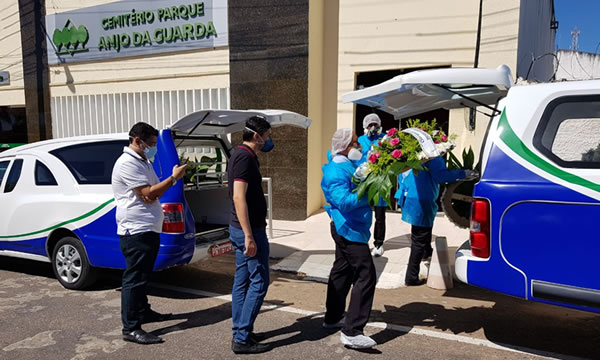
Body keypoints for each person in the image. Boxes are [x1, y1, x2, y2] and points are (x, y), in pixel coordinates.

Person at [111, 122, 187, 344]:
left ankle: (143, 311)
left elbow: (152, 189)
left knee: (142, 275)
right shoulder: (127, 163)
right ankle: (131, 327)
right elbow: (148, 195)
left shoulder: (143, 160)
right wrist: (173, 178)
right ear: (137, 141)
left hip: (147, 227)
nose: (153, 148)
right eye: (151, 144)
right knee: (134, 278)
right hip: (136, 229)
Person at [321, 128, 377, 349]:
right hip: (348, 229)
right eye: (355, 143)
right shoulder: (335, 171)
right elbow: (344, 202)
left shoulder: (346, 164)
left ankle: (333, 317)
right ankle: (352, 331)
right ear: (345, 146)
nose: (359, 147)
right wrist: (368, 189)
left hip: (351, 227)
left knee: (342, 271)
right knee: (366, 275)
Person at [228, 116, 274, 355]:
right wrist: (249, 236)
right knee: (259, 282)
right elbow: (238, 197)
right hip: (248, 230)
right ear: (256, 136)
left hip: (244, 228)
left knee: (243, 281)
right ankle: (242, 338)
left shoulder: (242, 155)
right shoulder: (244, 157)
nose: (269, 139)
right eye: (267, 135)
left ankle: (241, 331)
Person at [395, 156, 476, 286]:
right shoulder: (433, 158)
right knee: (419, 239)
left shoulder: (413, 155)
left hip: (409, 196)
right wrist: (463, 174)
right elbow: (441, 176)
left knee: (420, 232)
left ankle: (427, 253)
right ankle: (411, 276)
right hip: (423, 200)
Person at [356, 113, 387, 257]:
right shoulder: (361, 140)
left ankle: (379, 243)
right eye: (370, 125)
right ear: (365, 126)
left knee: (380, 215)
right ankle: (362, 240)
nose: (373, 127)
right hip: (365, 181)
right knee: (363, 212)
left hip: (380, 181)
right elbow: (356, 159)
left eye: (376, 124)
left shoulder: (385, 139)